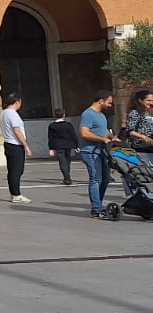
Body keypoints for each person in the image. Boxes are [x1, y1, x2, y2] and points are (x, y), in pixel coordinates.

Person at [79, 90, 116, 220]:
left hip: (101, 151)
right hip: (90, 152)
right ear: (101, 101)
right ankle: (96, 209)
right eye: (109, 102)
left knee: (105, 179)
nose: (110, 105)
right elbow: (84, 133)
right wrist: (102, 139)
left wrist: (112, 137)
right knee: (95, 179)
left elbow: (103, 131)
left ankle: (98, 204)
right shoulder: (88, 114)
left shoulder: (101, 115)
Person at [0, 91, 33, 204]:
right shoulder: (12, 114)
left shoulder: (4, 113)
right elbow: (17, 131)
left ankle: (14, 193)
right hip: (15, 144)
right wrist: (26, 146)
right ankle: (16, 194)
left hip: (8, 143)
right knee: (17, 170)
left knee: (12, 170)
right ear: (17, 102)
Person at [47, 106, 78, 185]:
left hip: (58, 145)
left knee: (62, 162)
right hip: (68, 145)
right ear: (64, 115)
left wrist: (51, 148)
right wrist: (76, 145)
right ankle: (67, 176)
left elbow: (50, 138)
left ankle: (67, 178)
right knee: (67, 161)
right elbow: (73, 135)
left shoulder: (52, 126)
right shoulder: (68, 125)